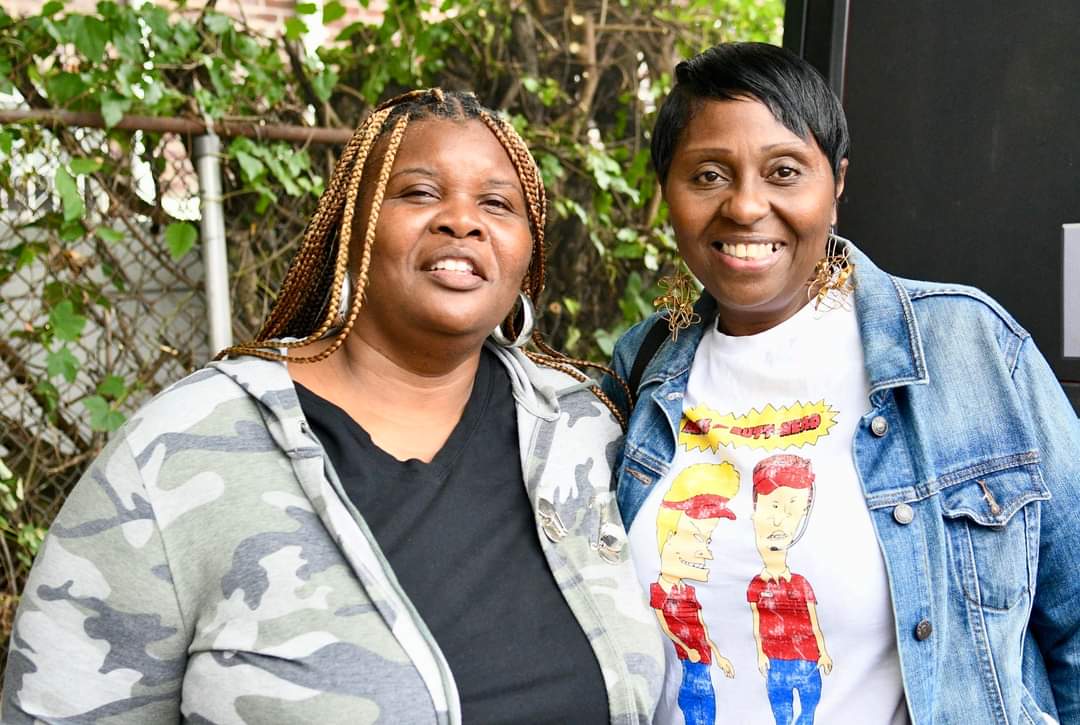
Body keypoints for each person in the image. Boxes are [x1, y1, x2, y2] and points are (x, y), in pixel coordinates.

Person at [3, 89, 664, 724]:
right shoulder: (181, 449)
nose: (462, 220)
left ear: (529, 250)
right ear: (353, 227)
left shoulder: (590, 435)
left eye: (497, 203)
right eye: (419, 192)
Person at [603, 42, 1080, 725]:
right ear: (667, 193)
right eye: (707, 174)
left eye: (784, 171)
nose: (744, 205)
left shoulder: (967, 348)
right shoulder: (641, 366)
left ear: (837, 183)